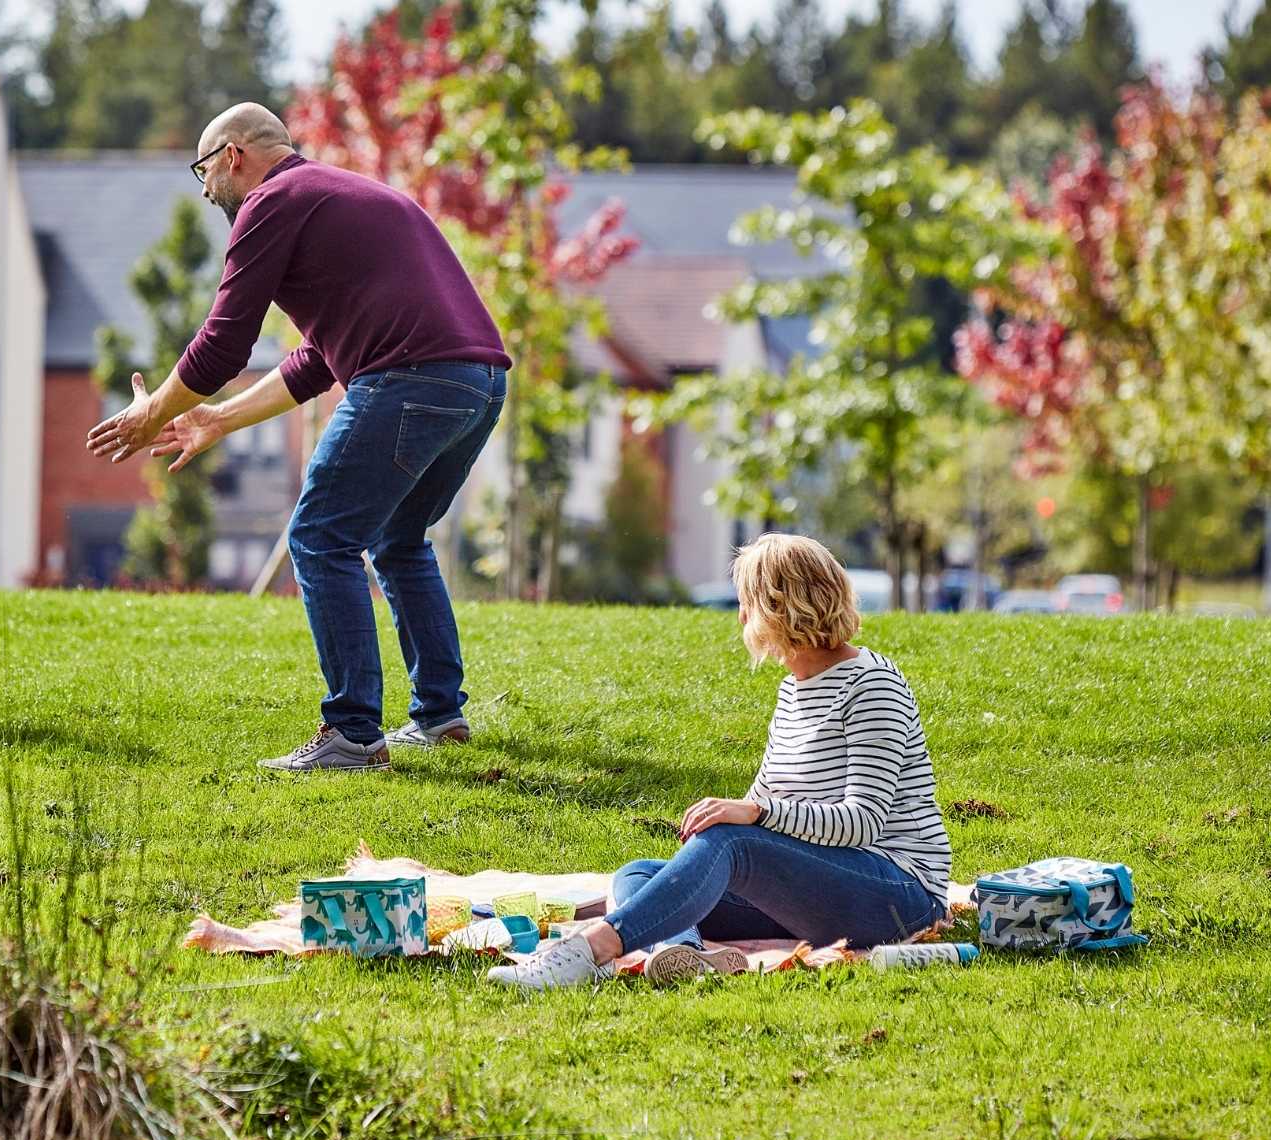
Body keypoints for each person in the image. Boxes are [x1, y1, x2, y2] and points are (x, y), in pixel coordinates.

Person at [86, 102, 512, 772]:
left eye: (204, 173)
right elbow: (317, 359)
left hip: (412, 379)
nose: (205, 193)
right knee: (396, 540)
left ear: (233, 155)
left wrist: (152, 413)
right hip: (479, 383)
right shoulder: (344, 196)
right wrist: (218, 418)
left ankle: (351, 734)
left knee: (320, 535)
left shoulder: (274, 200)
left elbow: (223, 344)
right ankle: (439, 715)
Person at [488, 534, 952, 990]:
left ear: (776, 606)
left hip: (898, 895)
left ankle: (589, 952)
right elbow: (765, 801)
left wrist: (752, 816)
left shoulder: (872, 685)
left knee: (733, 842)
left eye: (745, 601)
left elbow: (862, 823)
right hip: (822, 891)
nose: (741, 615)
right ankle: (683, 954)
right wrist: (709, 844)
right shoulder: (794, 689)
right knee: (641, 874)